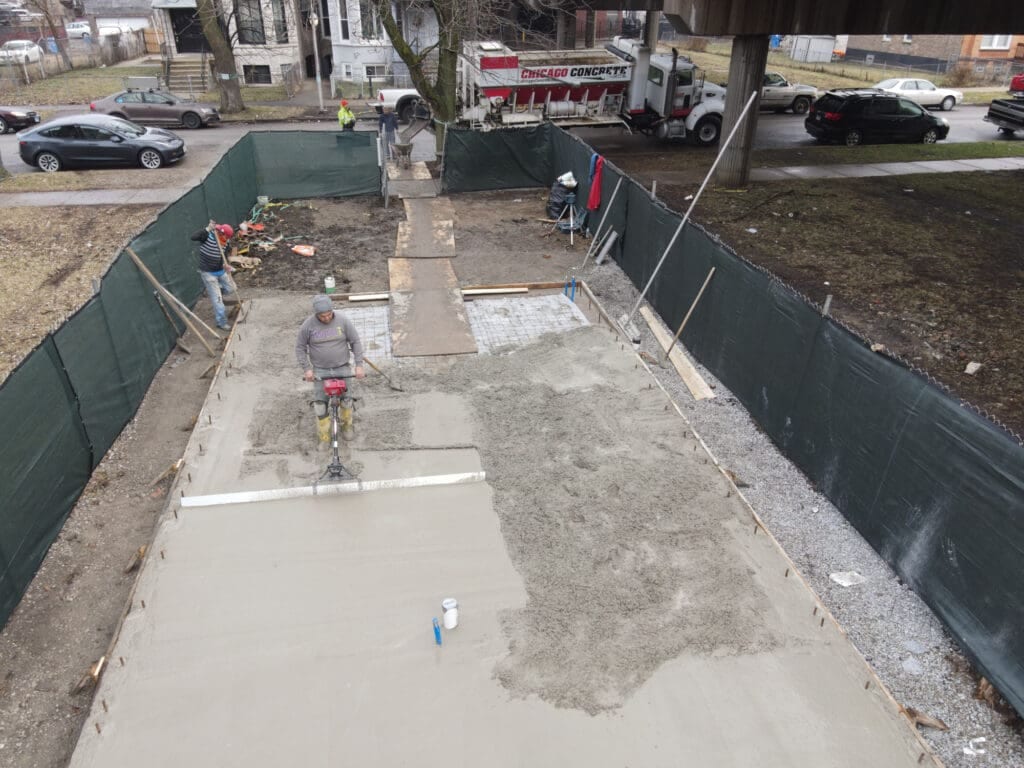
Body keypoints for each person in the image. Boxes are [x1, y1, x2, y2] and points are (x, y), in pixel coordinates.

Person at [296, 294, 365, 442]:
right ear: (316, 314)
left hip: (342, 367)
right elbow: (300, 348)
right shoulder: (308, 326)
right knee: (320, 404)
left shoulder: (343, 321)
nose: (326, 318)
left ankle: (347, 426)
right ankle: (324, 435)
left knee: (346, 399)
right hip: (320, 370)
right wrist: (307, 369)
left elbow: (356, 342)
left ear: (332, 310)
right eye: (322, 316)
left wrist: (359, 365)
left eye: (328, 315)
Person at [190, 221, 237, 331]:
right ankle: (221, 323)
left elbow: (223, 255)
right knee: (219, 302)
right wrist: (207, 228)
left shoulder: (226, 242)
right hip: (208, 273)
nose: (227, 240)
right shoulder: (207, 237)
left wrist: (226, 265)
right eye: (227, 237)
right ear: (222, 234)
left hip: (220, 270)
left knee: (232, 288)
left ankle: (216, 291)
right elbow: (193, 237)